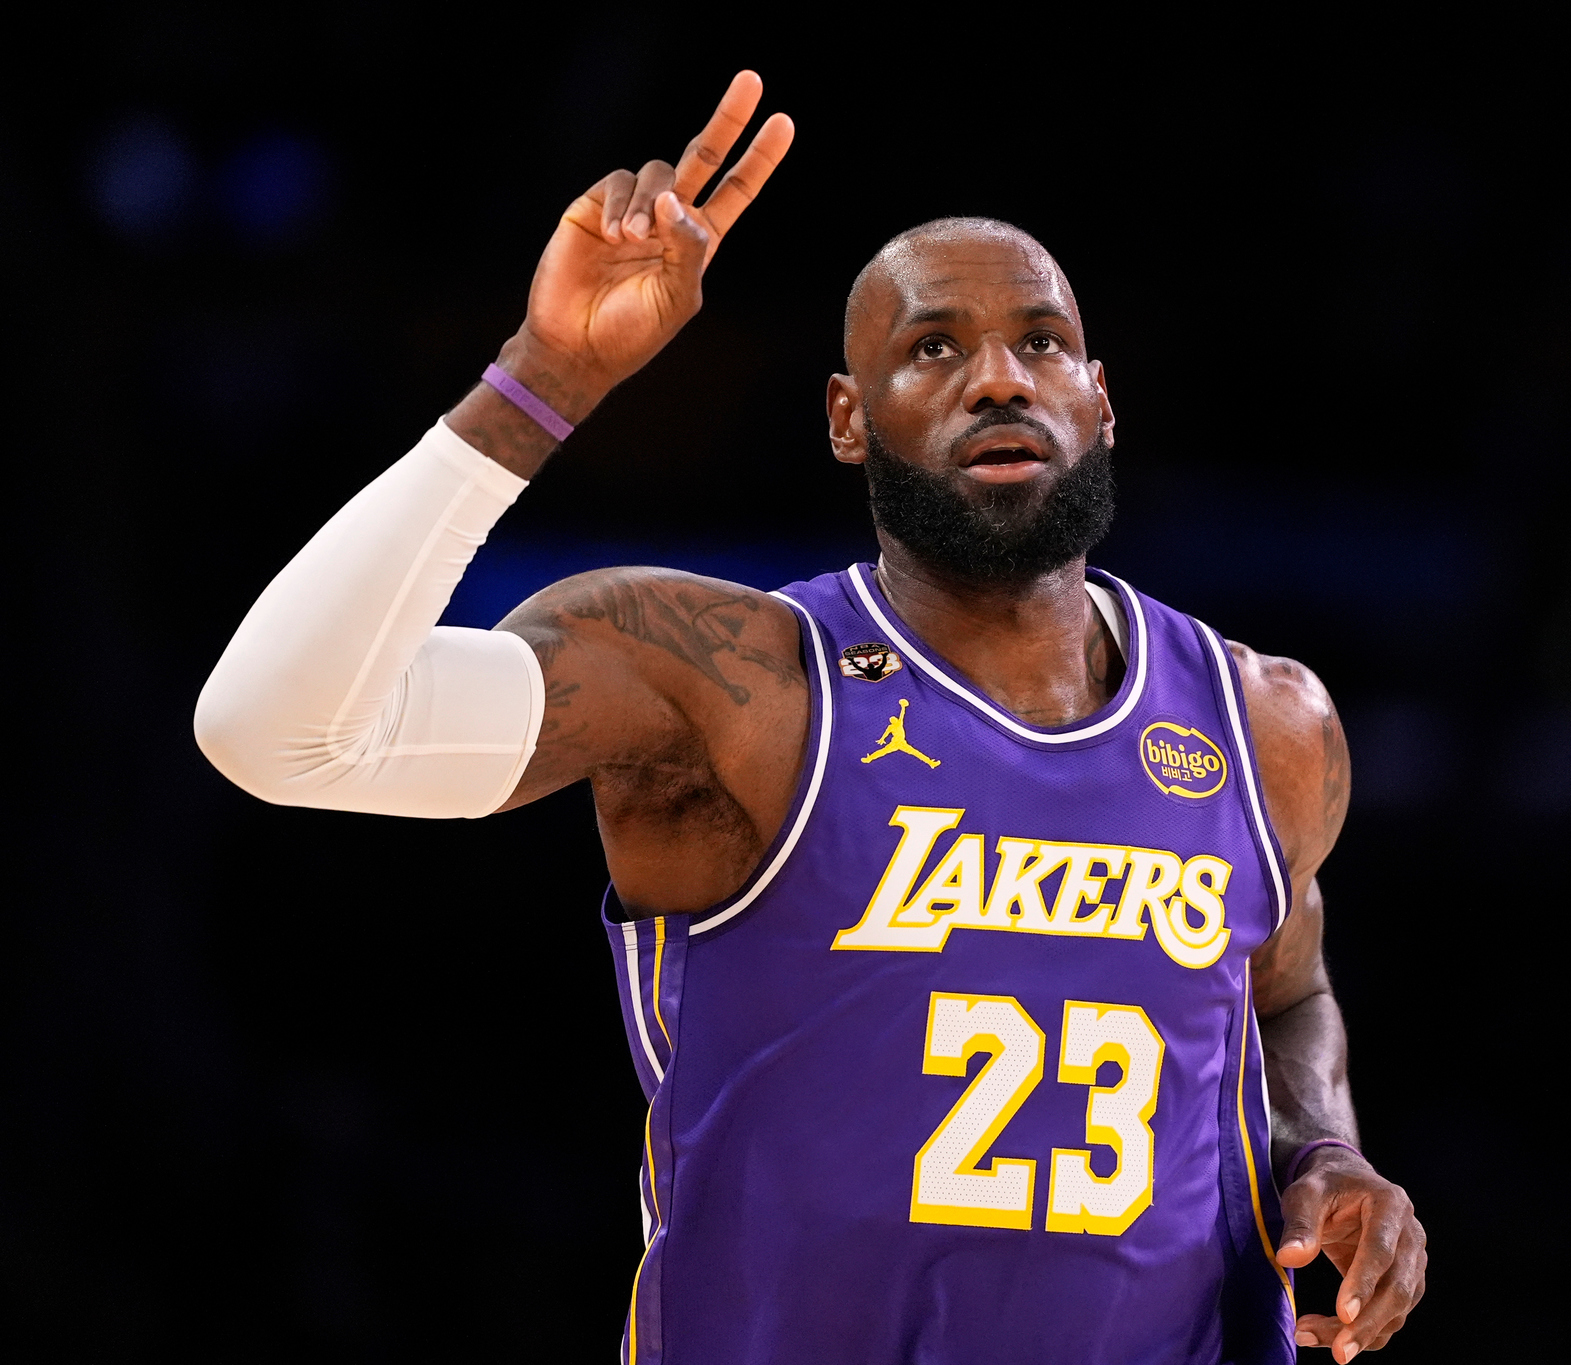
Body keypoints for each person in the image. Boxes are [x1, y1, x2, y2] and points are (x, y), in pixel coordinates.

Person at [193, 71, 1426, 1364]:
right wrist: (541, 378)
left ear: (1101, 399)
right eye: (933, 347)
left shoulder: (1264, 721)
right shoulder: (726, 683)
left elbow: (1284, 990)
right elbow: (276, 730)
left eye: (1043, 342)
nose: (998, 378)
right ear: (849, 418)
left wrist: (1328, 1149)